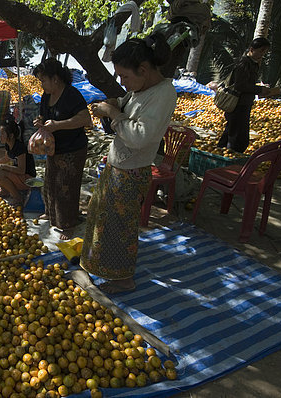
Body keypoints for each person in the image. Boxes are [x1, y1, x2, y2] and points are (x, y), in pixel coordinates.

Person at [79, 33, 177, 294]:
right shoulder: (140, 90)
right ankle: (99, 266)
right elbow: (126, 107)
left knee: (119, 228)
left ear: (143, 70)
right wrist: (114, 103)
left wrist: (113, 113)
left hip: (131, 173)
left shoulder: (163, 94)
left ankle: (123, 278)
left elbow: (139, 137)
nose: (122, 82)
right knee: (103, 220)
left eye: (125, 76)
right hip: (116, 168)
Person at [33, 58, 92, 240]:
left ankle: (68, 224)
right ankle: (51, 215)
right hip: (54, 149)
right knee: (51, 182)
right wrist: (40, 122)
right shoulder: (46, 96)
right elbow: (44, 115)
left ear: (55, 79)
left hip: (73, 149)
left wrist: (59, 125)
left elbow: (85, 119)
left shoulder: (71, 94)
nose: (41, 84)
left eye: (43, 80)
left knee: (66, 187)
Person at [217, 38, 280, 153]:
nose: (262, 54)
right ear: (252, 49)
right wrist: (259, 89)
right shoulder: (244, 63)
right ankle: (229, 158)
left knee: (231, 132)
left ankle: (220, 153)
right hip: (238, 104)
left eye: (264, 52)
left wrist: (262, 89)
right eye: (261, 51)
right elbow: (240, 86)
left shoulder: (253, 64)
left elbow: (247, 83)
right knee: (236, 136)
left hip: (244, 103)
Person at [0, 117, 36, 207]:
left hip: (27, 178)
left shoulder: (19, 147)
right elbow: (6, 158)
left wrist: (2, 166)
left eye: (2, 133)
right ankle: (5, 191)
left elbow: (21, 170)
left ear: (11, 135)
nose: (0, 136)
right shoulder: (8, 145)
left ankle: (18, 197)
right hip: (20, 176)